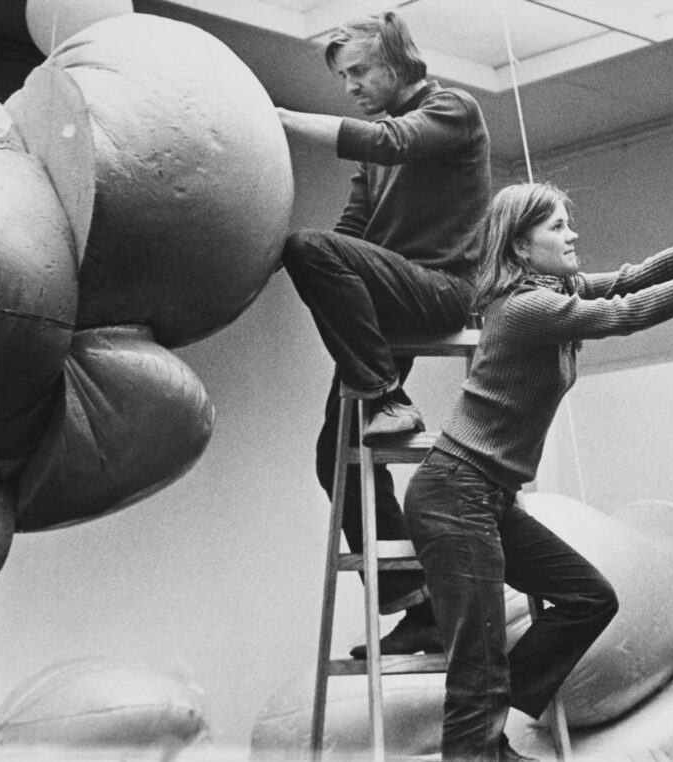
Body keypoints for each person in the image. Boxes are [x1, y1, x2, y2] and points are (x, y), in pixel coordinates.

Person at [403, 181, 673, 761]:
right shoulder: (525, 308)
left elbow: (628, 278)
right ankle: (481, 733)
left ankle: (489, 718)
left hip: (490, 497)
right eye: (558, 227)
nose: (573, 235)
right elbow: (626, 313)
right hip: (454, 493)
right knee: (478, 662)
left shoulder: (553, 288)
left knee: (587, 597)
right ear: (519, 248)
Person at [277, 10, 491, 658]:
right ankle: (416, 604)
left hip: (443, 293)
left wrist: (278, 121)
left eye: (361, 70)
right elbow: (350, 231)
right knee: (331, 456)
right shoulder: (377, 156)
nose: (352, 87)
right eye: (344, 77)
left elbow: (392, 142)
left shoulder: (454, 110)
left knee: (307, 249)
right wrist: (281, 260)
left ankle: (386, 397)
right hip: (388, 303)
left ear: (399, 61)